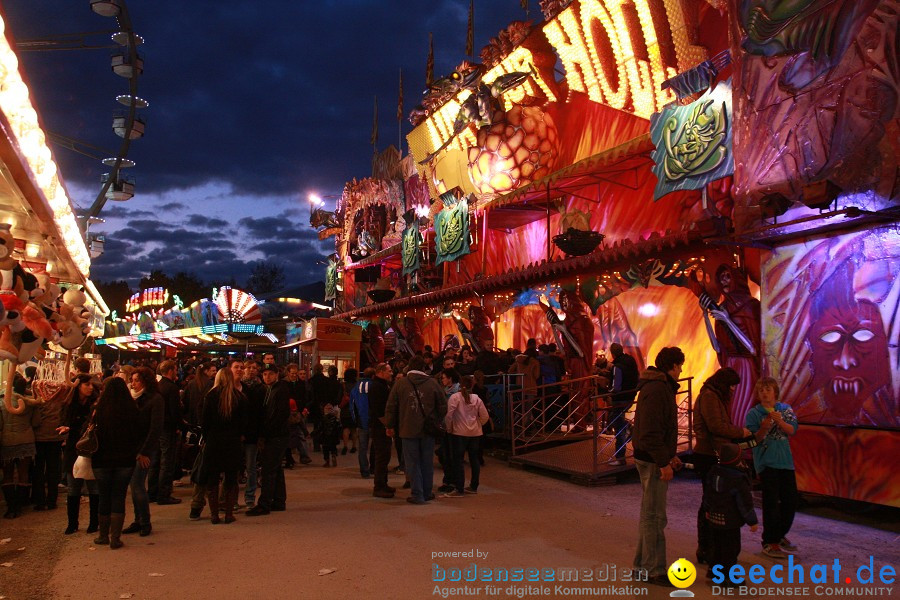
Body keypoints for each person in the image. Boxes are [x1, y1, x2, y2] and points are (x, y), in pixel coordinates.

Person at [631, 346, 685, 587]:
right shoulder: (658, 389)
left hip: (652, 457)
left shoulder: (655, 387)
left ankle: (642, 566)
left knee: (649, 515)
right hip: (652, 461)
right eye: (679, 366)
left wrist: (669, 455)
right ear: (672, 366)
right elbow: (651, 432)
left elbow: (656, 430)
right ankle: (654, 570)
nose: (681, 370)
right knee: (654, 517)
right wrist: (663, 461)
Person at [692, 367, 750, 565]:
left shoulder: (713, 396)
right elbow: (716, 426)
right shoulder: (709, 397)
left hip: (711, 453)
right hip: (709, 455)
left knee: (711, 502)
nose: (733, 390)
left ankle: (710, 550)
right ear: (723, 384)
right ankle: (707, 549)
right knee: (710, 503)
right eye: (732, 386)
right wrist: (740, 432)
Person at [745, 377, 799, 559]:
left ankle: (779, 534)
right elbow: (752, 441)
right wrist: (763, 427)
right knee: (771, 503)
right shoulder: (754, 414)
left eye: (768, 390)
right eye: (761, 391)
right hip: (766, 463)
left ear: (775, 391)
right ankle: (769, 541)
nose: (765, 393)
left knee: (790, 501)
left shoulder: (785, 410)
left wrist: (779, 422)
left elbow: (792, 430)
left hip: (785, 462)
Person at [385, 355, 447, 505]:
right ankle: (427, 492)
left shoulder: (401, 384)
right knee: (427, 462)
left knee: (412, 463)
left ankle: (417, 494)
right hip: (428, 430)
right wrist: (435, 420)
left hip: (407, 429)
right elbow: (443, 406)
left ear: (409, 367)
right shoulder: (433, 384)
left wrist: (390, 425)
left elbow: (391, 407)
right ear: (423, 368)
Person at [91, 377, 142, 549]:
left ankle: (103, 535)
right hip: (125, 460)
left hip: (101, 460)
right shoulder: (132, 410)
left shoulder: (99, 410)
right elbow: (138, 435)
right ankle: (115, 538)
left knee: (104, 496)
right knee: (118, 496)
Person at [197, 366, 247, 524]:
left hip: (214, 442)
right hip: (232, 442)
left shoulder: (211, 396)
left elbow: (204, 422)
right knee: (231, 479)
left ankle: (214, 514)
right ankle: (229, 513)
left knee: (212, 479)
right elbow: (244, 422)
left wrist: (206, 438)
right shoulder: (239, 397)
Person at [702, 443, 758, 582]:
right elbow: (744, 503)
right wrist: (752, 521)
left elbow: (707, 495)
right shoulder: (738, 479)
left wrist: (707, 509)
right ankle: (728, 577)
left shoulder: (713, 472)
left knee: (716, 546)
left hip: (714, 519)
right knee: (731, 549)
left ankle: (714, 571)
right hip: (730, 522)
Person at [123, 367, 163, 537]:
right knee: (134, 485)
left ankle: (145, 522)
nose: (133, 383)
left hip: (145, 449)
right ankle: (138, 520)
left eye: (137, 380)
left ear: (145, 381)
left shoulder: (155, 399)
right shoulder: (132, 399)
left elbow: (155, 428)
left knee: (138, 485)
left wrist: (144, 451)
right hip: (132, 448)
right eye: (132, 380)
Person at [58, 375, 100, 534]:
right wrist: (64, 428)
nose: (90, 387)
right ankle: (72, 523)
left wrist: (71, 429)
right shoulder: (68, 404)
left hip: (90, 450)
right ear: (78, 386)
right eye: (87, 384)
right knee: (73, 489)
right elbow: (62, 422)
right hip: (72, 450)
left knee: (93, 488)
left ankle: (94, 522)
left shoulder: (95, 404)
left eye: (91, 385)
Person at [247, 365, 291, 516]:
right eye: (265, 374)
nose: (267, 377)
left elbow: (276, 416)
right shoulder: (270, 390)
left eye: (270, 374)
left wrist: (264, 435)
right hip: (276, 435)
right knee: (275, 469)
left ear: (277, 374)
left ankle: (264, 504)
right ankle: (278, 501)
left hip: (276, 436)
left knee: (268, 470)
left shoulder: (279, 390)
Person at [443, 375, 489, 497]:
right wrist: (478, 424)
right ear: (472, 385)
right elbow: (485, 416)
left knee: (458, 460)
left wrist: (449, 428)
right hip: (475, 433)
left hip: (459, 432)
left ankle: (459, 488)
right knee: (474, 459)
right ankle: (474, 486)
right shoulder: (476, 398)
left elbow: (449, 415)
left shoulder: (455, 397)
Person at [1, 379, 40, 519]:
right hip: (27, 440)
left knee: (8, 475)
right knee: (24, 473)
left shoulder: (2, 401)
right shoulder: (31, 403)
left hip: (8, 442)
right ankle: (20, 505)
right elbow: (36, 422)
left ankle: (10, 507)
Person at [151, 360, 182, 505]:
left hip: (157, 428)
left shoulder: (157, 386)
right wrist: (178, 426)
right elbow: (175, 411)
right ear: (170, 371)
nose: (176, 372)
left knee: (156, 460)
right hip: (168, 428)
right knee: (167, 462)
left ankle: (152, 492)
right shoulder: (172, 388)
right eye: (175, 370)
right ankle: (164, 494)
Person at [607, 343, 639, 466]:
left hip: (619, 398)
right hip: (630, 396)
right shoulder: (631, 361)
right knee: (615, 420)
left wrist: (607, 392)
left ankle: (620, 457)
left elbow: (616, 386)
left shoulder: (617, 366)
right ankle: (630, 428)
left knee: (618, 425)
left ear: (612, 353)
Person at [369, 363, 394, 498]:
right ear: (381, 372)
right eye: (389, 371)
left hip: (380, 426)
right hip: (380, 428)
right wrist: (388, 426)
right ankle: (379, 486)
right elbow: (379, 411)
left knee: (385, 457)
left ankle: (383, 484)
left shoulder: (381, 386)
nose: (391, 373)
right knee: (382, 457)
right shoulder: (378, 387)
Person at [350, 368, 374, 479]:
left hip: (361, 421)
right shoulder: (375, 386)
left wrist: (356, 420)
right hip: (374, 421)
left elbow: (352, 407)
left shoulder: (355, 388)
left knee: (362, 448)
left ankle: (364, 470)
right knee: (376, 446)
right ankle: (374, 468)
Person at [339, 368, 358, 456]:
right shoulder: (357, 385)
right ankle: (354, 446)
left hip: (345, 409)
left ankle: (345, 446)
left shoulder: (343, 385)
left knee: (345, 428)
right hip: (355, 409)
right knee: (354, 429)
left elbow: (339, 396)